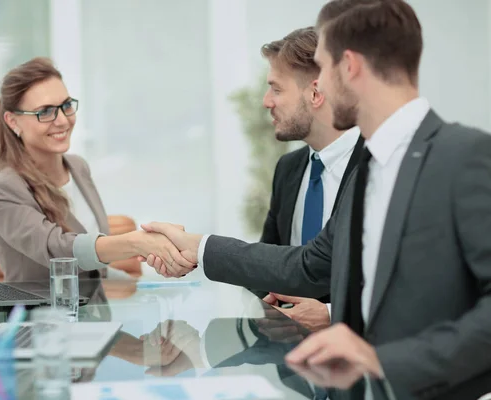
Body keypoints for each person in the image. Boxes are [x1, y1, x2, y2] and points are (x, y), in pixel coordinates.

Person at [142, 0, 491, 398]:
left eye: (322, 68)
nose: (318, 87)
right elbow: (309, 265)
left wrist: (385, 362)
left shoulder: (467, 157)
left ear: (350, 67)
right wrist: (198, 248)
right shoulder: (370, 168)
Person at [0, 57, 195, 283]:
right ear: (13, 122)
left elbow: (94, 273)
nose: (63, 120)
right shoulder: (3, 190)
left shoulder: (77, 167)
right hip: (41, 315)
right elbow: (59, 252)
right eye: (45, 112)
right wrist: (137, 243)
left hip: (93, 313)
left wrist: (152, 277)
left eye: (66, 106)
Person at [257, 27, 362, 333]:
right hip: (290, 359)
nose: (266, 101)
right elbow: (268, 261)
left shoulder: (378, 166)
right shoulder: (288, 169)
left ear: (316, 93)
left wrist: (331, 312)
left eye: (276, 89)